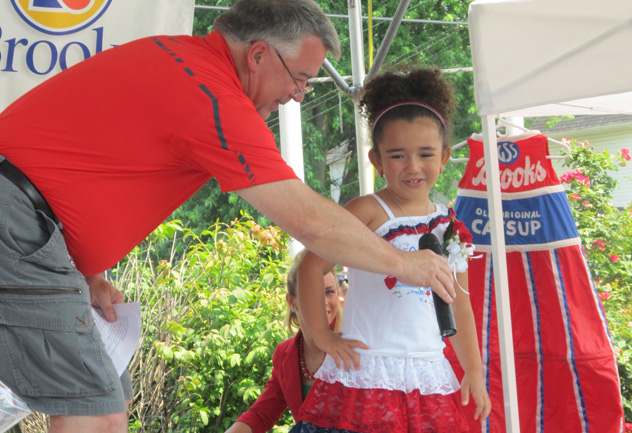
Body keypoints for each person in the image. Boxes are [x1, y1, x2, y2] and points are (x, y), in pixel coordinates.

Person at [0, 1, 457, 432]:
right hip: (16, 222)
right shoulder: (211, 95)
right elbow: (309, 221)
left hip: (32, 227)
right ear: (258, 54)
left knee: (109, 397)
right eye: (299, 79)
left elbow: (81, 162)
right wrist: (405, 264)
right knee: (97, 409)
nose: (299, 96)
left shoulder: (172, 57)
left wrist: (90, 270)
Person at [293, 68, 492, 433]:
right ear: (377, 160)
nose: (413, 167)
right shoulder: (366, 211)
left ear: (445, 156)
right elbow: (310, 267)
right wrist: (321, 336)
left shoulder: (450, 223)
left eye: (425, 154)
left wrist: (475, 371)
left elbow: (458, 302)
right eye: (397, 155)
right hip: (366, 375)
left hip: (428, 375)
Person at [225, 250, 354, 433]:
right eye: (313, 292)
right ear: (292, 301)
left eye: (329, 292)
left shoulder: (355, 345)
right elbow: (261, 415)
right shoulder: (285, 354)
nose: (323, 301)